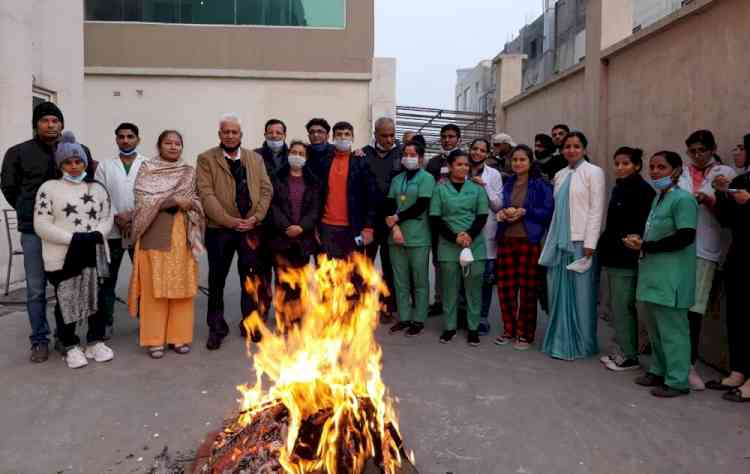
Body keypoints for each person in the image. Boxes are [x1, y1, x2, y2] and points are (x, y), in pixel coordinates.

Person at [33, 131, 114, 369]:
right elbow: (41, 224)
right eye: (68, 162)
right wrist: (74, 239)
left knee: (96, 299)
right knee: (66, 299)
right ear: (60, 165)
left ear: (85, 162)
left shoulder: (97, 188)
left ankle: (95, 341)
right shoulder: (49, 188)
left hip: (95, 253)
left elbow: (108, 216)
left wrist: (97, 234)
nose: (74, 166)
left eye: (78, 161)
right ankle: (69, 344)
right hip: (62, 257)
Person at [196, 114, 273, 350]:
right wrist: (229, 221)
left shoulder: (254, 158)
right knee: (217, 279)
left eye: (234, 132)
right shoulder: (206, 159)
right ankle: (216, 327)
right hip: (220, 230)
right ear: (219, 134)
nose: (230, 136)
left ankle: (251, 324)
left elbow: (266, 189)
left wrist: (256, 218)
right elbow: (206, 194)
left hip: (251, 229)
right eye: (225, 132)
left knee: (252, 279)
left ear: (241, 135)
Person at [625, 151, 697, 398]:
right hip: (654, 274)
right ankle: (658, 370)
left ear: (676, 171)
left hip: (672, 277)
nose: (655, 172)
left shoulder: (683, 200)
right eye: (653, 167)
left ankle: (677, 381)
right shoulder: (659, 199)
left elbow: (685, 236)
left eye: (662, 167)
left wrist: (646, 246)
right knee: (655, 328)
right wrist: (641, 241)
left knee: (673, 331)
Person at [129, 130, 205, 358]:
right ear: (159, 145)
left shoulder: (188, 172)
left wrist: (190, 203)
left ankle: (179, 337)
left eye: (177, 143)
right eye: (168, 143)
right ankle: (154, 340)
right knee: (155, 289)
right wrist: (173, 200)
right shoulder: (147, 169)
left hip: (182, 235)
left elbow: (196, 200)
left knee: (182, 287)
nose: (173, 147)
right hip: (154, 233)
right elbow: (143, 201)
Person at [1, 101, 66, 362]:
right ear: (36, 124)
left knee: (65, 286)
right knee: (36, 289)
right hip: (33, 231)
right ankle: (39, 339)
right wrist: (27, 209)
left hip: (65, 232)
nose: (50, 125)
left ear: (61, 124)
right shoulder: (18, 152)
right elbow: (8, 186)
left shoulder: (71, 150)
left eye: (55, 120)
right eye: (45, 120)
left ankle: (65, 335)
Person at [677, 130, 736, 390]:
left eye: (702, 150)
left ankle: (688, 365)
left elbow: (731, 216)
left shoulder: (725, 174)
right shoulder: (680, 174)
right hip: (678, 248)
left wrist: (712, 199)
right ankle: (675, 360)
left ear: (712, 149)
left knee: (694, 311)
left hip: (705, 250)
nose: (698, 155)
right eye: (693, 151)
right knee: (675, 307)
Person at [539, 131, 605, 360]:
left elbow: (596, 209)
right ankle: (559, 338)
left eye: (576, 146)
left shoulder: (594, 172)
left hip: (581, 242)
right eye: (567, 146)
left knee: (582, 293)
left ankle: (583, 343)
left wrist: (590, 242)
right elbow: (557, 211)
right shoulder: (559, 174)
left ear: (584, 149)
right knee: (557, 291)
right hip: (560, 240)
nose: (571, 150)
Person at [597, 147, 655, 371]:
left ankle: (629, 355)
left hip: (627, 257)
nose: (620, 168)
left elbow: (641, 227)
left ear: (637, 165)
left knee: (623, 306)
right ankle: (622, 349)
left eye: (625, 163)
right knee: (618, 306)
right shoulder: (619, 188)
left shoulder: (642, 191)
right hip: (614, 255)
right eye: (617, 163)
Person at [495, 145, 554, 350]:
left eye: (522, 160)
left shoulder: (541, 185)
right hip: (506, 240)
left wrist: (525, 211)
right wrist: (503, 214)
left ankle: (524, 334)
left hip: (529, 241)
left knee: (527, 290)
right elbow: (502, 205)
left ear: (530, 162)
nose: (518, 163)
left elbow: (547, 212)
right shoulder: (508, 182)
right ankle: (509, 329)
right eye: (515, 160)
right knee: (506, 289)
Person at [429, 150, 489, 346]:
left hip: (474, 244)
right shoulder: (440, 189)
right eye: (459, 164)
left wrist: (469, 235)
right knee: (449, 289)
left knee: (473, 289)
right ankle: (450, 327)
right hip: (448, 244)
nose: (463, 168)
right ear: (450, 166)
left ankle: (473, 329)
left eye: (466, 165)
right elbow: (435, 219)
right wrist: (455, 237)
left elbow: (482, 216)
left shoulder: (477, 189)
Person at [94, 122, 147, 339]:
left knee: (144, 278)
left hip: (140, 231)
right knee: (107, 280)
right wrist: (117, 216)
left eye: (130, 136)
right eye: (121, 137)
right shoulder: (105, 166)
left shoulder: (148, 165)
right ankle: (106, 323)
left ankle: (148, 321)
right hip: (112, 231)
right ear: (116, 139)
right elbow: (99, 193)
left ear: (138, 139)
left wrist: (133, 216)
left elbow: (151, 195)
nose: (126, 140)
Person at [710, 133, 750, 402]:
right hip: (739, 255)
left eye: (742, 148)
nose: (736, 151)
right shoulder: (740, 180)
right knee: (737, 316)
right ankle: (738, 370)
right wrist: (722, 193)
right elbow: (725, 220)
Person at [266, 140, 321, 326]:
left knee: (300, 279)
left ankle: (297, 314)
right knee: (282, 279)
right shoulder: (276, 178)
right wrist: (286, 227)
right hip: (281, 237)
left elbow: (315, 209)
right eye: (294, 152)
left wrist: (302, 227)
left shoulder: (313, 181)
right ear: (288, 154)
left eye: (301, 153)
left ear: (306, 158)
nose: (297, 156)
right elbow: (272, 205)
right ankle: (282, 316)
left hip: (303, 238)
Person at [385, 141, 436, 337]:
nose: (408, 158)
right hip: (396, 236)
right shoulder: (397, 179)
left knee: (420, 280)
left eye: (413, 154)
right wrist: (395, 226)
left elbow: (422, 205)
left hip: (418, 236)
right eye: (405, 154)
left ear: (421, 158)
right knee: (400, 280)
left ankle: (419, 319)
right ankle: (404, 318)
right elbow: (390, 203)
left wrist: (397, 217)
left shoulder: (427, 178)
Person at [362, 117, 402, 323]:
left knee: (389, 265)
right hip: (368, 223)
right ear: (375, 134)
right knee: (364, 264)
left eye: (392, 135)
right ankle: (362, 303)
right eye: (384, 135)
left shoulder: (401, 154)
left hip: (391, 221)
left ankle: (387, 305)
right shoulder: (363, 154)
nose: (389, 139)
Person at [317, 121, 376, 260]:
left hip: (354, 227)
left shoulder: (361, 162)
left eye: (347, 134)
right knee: (327, 276)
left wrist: (368, 227)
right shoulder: (324, 162)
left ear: (353, 138)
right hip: (327, 227)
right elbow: (317, 195)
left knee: (354, 275)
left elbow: (371, 197)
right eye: (339, 134)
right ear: (333, 137)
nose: (343, 138)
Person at [425, 124, 462, 317]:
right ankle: (440, 300)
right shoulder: (433, 163)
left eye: (451, 136)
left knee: (461, 262)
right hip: (437, 220)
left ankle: (459, 304)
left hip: (460, 220)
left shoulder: (464, 160)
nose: (447, 140)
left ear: (458, 139)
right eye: (444, 136)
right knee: (439, 261)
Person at [468, 138, 503, 335]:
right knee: (465, 276)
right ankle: (465, 315)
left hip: (486, 234)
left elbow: (498, 205)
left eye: (482, 150)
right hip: (465, 233)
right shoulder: (461, 167)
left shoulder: (494, 175)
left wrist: (485, 186)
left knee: (485, 279)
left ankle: (482, 317)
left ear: (488, 154)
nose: (477, 153)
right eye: (475, 149)